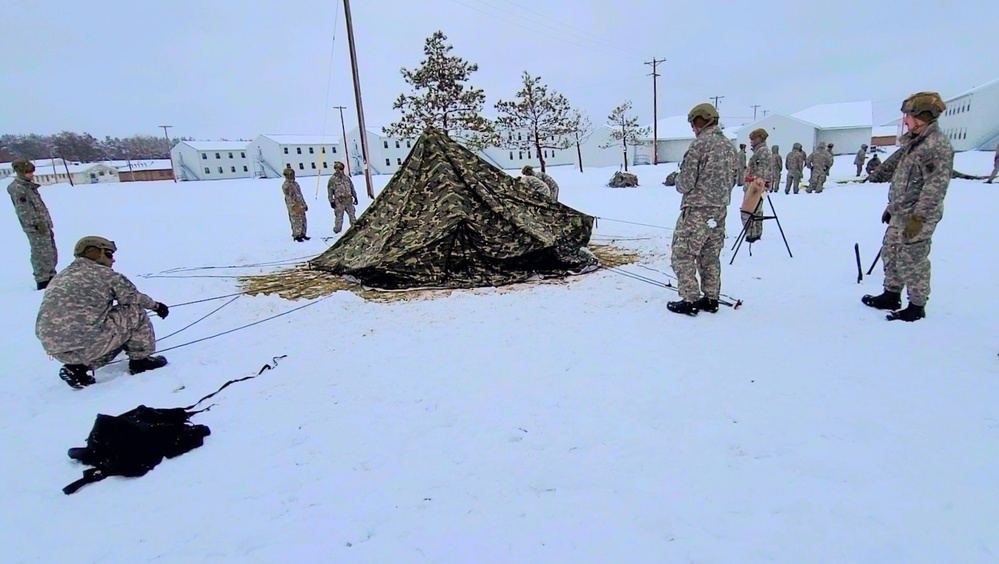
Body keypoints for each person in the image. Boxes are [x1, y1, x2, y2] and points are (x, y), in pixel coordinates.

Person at [862, 92, 952, 322]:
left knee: (913, 259)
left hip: (917, 217)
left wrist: (918, 218)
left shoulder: (935, 146)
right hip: (900, 212)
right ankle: (891, 294)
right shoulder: (914, 142)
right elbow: (897, 170)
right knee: (891, 252)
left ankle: (916, 305)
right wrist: (892, 206)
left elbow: (935, 187)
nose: (905, 121)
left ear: (922, 117)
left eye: (909, 116)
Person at [35, 236, 170, 388]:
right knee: (134, 310)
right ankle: (141, 360)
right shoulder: (106, 275)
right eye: (109, 254)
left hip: (54, 347)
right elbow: (133, 298)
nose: (113, 260)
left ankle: (77, 368)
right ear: (93, 252)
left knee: (97, 335)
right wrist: (157, 306)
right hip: (87, 340)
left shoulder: (60, 277)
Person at [666, 103, 738, 316]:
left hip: (697, 210)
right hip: (719, 210)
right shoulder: (728, 146)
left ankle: (690, 300)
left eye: (693, 123)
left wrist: (678, 181)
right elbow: (735, 178)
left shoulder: (700, 145)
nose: (692, 128)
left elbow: (685, 183)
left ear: (700, 121)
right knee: (710, 255)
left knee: (683, 254)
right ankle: (711, 298)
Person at [7, 159, 57, 289]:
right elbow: (23, 210)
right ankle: (43, 280)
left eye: (31, 172)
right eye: (28, 172)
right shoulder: (18, 188)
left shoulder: (28, 186)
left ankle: (51, 275)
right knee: (40, 253)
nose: (31, 175)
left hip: (43, 225)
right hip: (36, 228)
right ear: (21, 173)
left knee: (50, 251)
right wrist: (34, 224)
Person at [741, 128, 773, 242]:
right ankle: (757, 233)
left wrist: (754, 184)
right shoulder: (762, 151)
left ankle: (751, 235)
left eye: (753, 138)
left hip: (755, 187)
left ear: (760, 138)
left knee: (747, 211)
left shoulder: (762, 152)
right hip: (759, 186)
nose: (751, 141)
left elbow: (762, 172)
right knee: (758, 210)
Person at [327, 161, 358, 234]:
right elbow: (330, 191)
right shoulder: (332, 179)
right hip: (339, 201)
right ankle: (337, 230)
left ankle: (354, 227)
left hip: (348, 200)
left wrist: (355, 197)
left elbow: (352, 188)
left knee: (352, 215)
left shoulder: (347, 178)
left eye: (340, 168)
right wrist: (331, 201)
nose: (339, 170)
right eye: (337, 168)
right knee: (339, 217)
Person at [281, 166, 309, 241]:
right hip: (294, 206)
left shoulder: (295, 184)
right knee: (296, 221)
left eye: (292, 174)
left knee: (303, 220)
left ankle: (303, 234)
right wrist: (294, 206)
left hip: (300, 205)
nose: (292, 176)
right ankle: (297, 235)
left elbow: (300, 195)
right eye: (290, 174)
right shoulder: (286, 185)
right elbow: (289, 197)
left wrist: (304, 204)